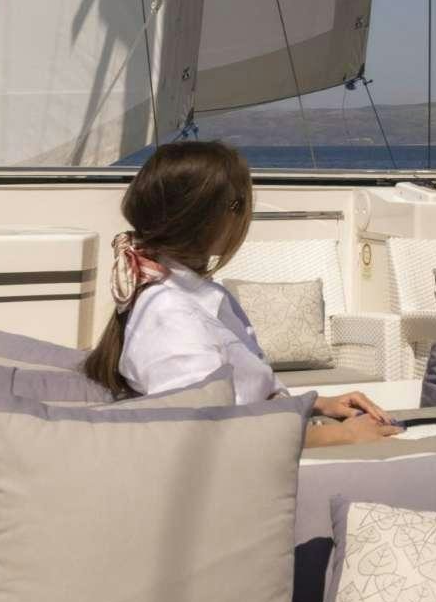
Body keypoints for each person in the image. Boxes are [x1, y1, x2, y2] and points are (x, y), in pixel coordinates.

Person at [82, 140, 400, 446]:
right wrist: (341, 436)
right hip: (260, 466)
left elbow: (244, 394)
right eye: (239, 204)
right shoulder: (170, 315)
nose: (246, 214)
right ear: (204, 217)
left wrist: (316, 405)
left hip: (279, 440)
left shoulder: (196, 295)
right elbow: (209, 431)